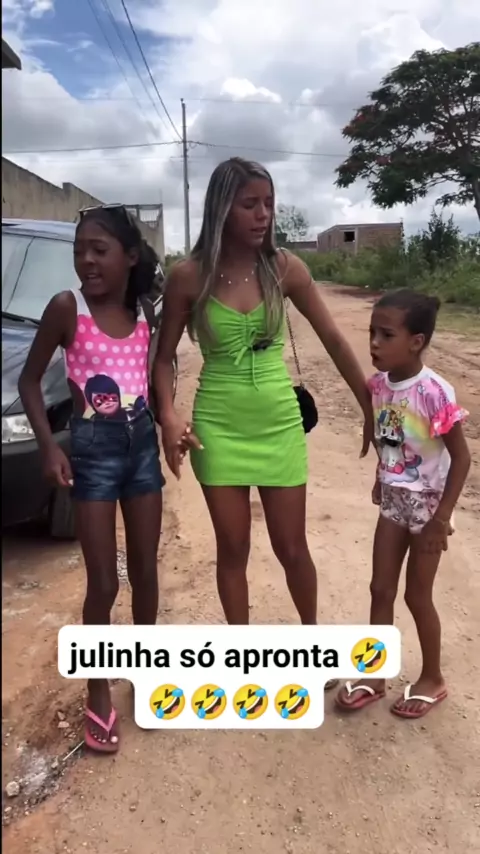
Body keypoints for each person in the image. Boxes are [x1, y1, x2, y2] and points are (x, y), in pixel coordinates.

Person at [153, 157, 373, 691]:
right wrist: (169, 415)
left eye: (268, 204)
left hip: (278, 424)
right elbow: (163, 359)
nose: (263, 215)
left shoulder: (285, 268)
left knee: (292, 548)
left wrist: (369, 404)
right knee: (233, 550)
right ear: (222, 209)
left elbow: (334, 338)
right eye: (250, 204)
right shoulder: (189, 276)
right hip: (217, 428)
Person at [18, 205, 165, 753]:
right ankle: (98, 690)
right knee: (103, 583)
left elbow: (151, 381)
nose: (86, 261)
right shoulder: (67, 308)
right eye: (80, 250)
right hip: (93, 457)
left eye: (99, 250)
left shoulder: (144, 312)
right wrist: (48, 446)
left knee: (146, 572)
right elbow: (30, 382)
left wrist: (170, 424)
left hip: (141, 453)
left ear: (130, 257)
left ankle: (146, 675)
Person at [336, 290, 471, 719]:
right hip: (394, 502)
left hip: (429, 508)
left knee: (417, 595)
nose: (374, 343)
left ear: (416, 342)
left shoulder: (434, 391)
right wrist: (384, 475)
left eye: (386, 335)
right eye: (372, 333)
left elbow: (462, 458)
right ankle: (375, 675)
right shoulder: (379, 387)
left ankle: (432, 678)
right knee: (380, 589)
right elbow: (391, 437)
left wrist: (441, 519)